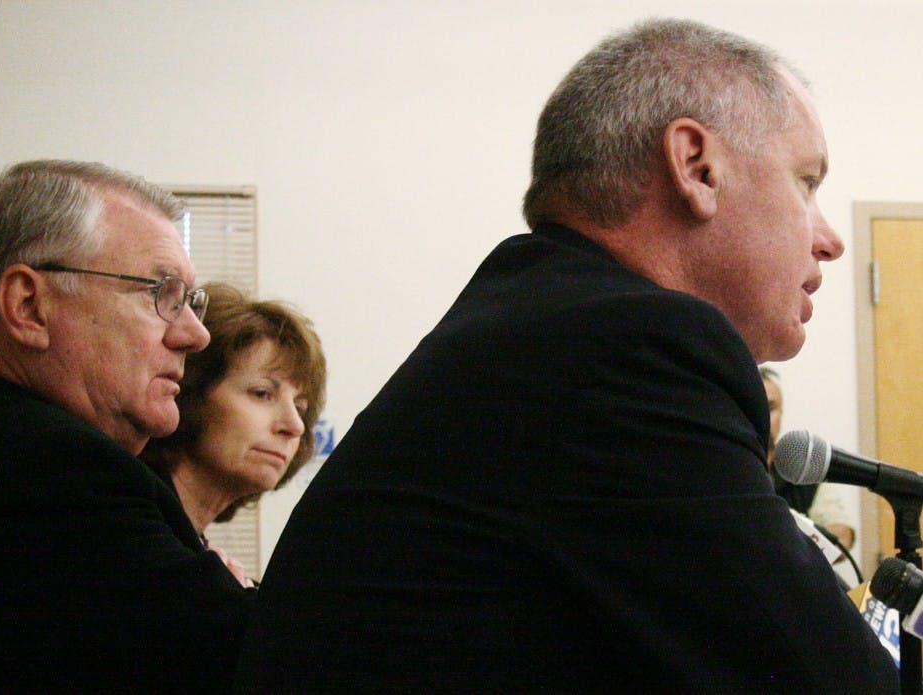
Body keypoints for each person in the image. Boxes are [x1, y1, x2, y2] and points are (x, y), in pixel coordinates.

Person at [238, 18, 899, 693]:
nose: (828, 238)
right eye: (807, 182)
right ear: (697, 167)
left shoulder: (539, 320)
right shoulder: (628, 349)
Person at [0, 160, 257, 692]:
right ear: (29, 306)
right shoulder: (53, 473)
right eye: (163, 294)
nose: (196, 335)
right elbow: (266, 663)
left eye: (190, 301)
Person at [140, 282, 327, 586]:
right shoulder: (133, 532)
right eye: (263, 393)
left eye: (301, 407)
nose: (295, 426)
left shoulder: (186, 544)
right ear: (187, 392)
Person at [763, 366, 856, 550]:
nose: (763, 418)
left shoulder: (802, 466)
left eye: (771, 408)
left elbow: (843, 535)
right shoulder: (725, 469)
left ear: (781, 412)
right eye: (754, 408)